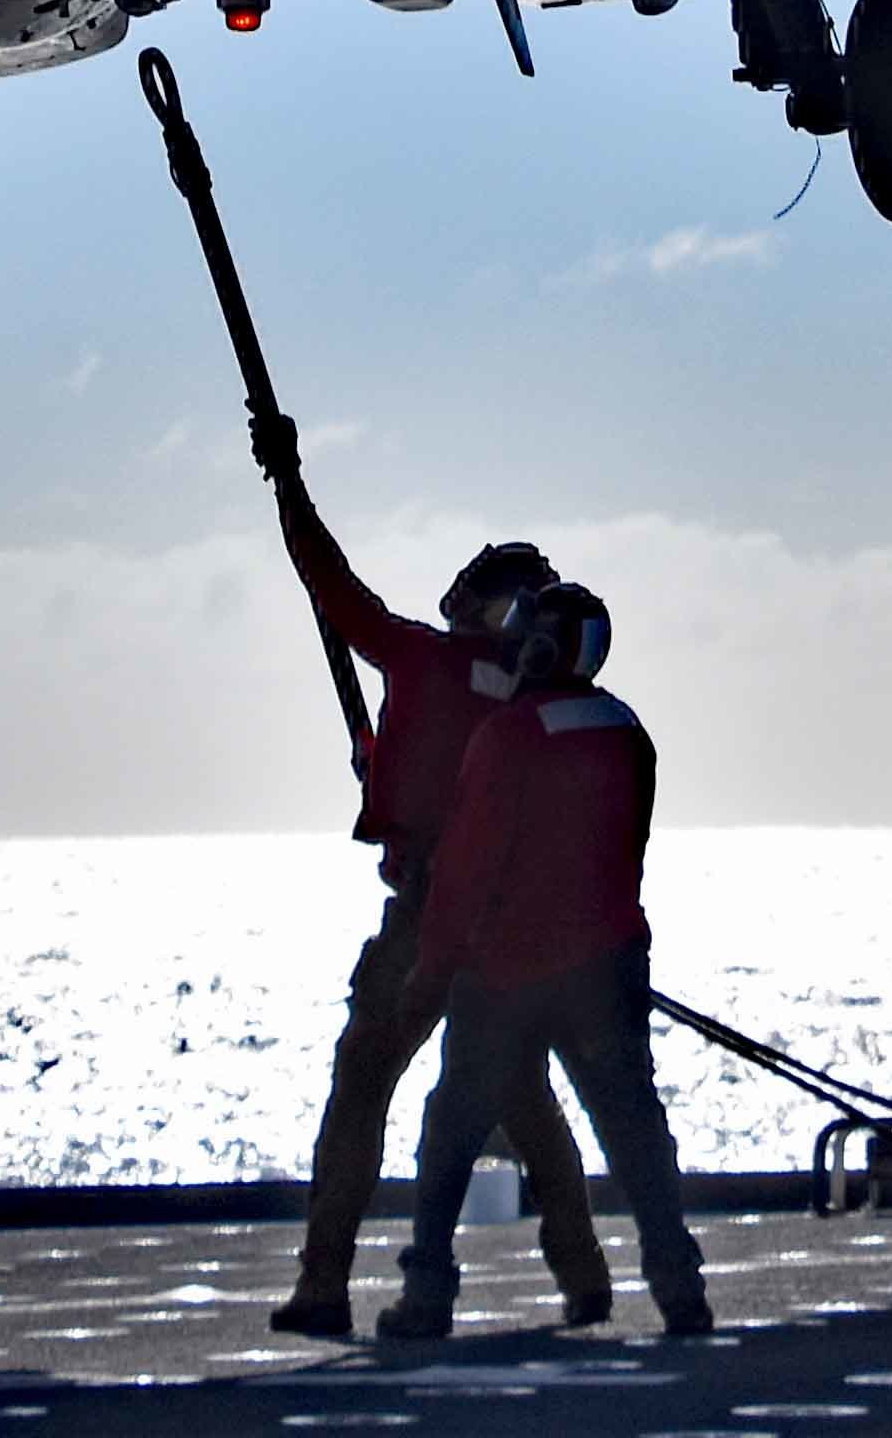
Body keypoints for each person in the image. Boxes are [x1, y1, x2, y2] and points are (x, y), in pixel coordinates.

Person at [261, 433, 611, 1342]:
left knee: (364, 1081)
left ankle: (323, 1282)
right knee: (521, 1093)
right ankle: (583, 1272)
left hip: (427, 918)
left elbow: (330, 587)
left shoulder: (423, 660)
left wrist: (287, 484)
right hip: (514, 933)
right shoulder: (531, 701)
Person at [379, 580, 712, 1343]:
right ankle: (679, 1289)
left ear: (540, 648)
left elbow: (466, 870)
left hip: (506, 976)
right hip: (608, 967)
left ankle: (427, 1293)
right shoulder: (628, 733)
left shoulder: (508, 737)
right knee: (635, 1134)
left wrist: (430, 974)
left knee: (453, 1129)